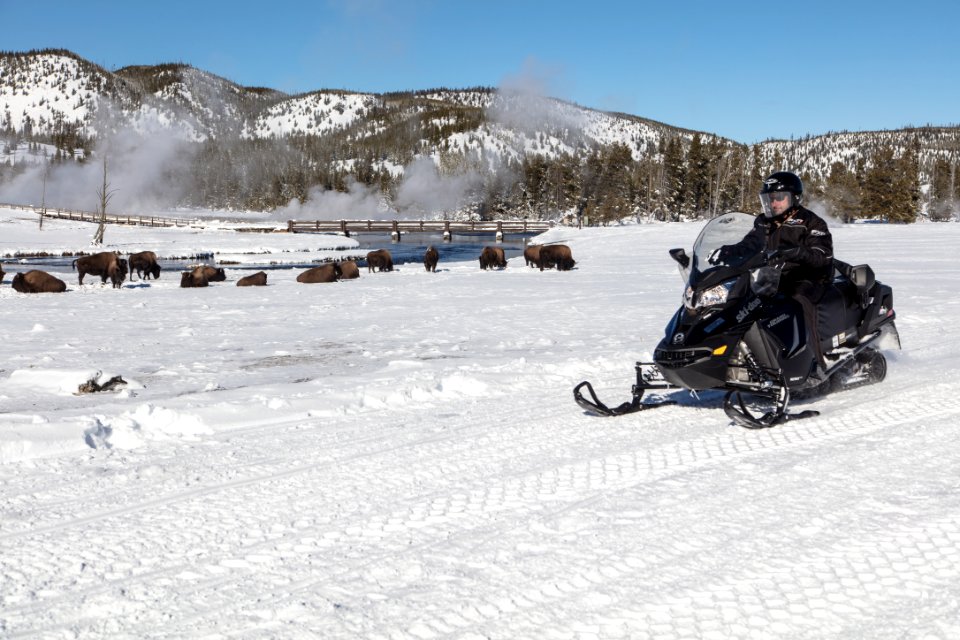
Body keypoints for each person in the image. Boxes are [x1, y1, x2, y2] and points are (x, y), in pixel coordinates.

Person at [711, 171, 834, 368]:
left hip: (808, 277)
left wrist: (796, 252)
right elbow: (749, 246)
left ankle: (814, 363)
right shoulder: (763, 222)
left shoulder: (811, 222)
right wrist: (727, 252)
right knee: (740, 301)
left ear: (793, 198)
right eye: (769, 199)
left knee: (799, 302)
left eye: (778, 198)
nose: (773, 203)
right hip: (773, 276)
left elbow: (822, 255)